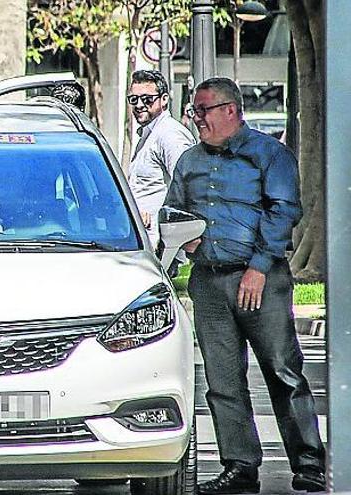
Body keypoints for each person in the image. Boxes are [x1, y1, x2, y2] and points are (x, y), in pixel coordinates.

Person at [166, 77, 326, 494]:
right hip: (208, 280)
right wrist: (184, 238)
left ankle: (309, 462)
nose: (196, 118)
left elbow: (283, 210)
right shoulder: (189, 161)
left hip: (260, 278)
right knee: (222, 381)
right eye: (194, 110)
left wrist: (257, 267)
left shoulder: (269, 155)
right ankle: (240, 465)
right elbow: (173, 209)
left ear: (231, 110)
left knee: (283, 371)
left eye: (203, 110)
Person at [126, 69, 195, 247]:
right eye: (134, 99)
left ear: (164, 99)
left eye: (147, 99)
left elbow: (189, 187)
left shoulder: (169, 135)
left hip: (161, 246)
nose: (139, 105)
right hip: (142, 242)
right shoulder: (148, 134)